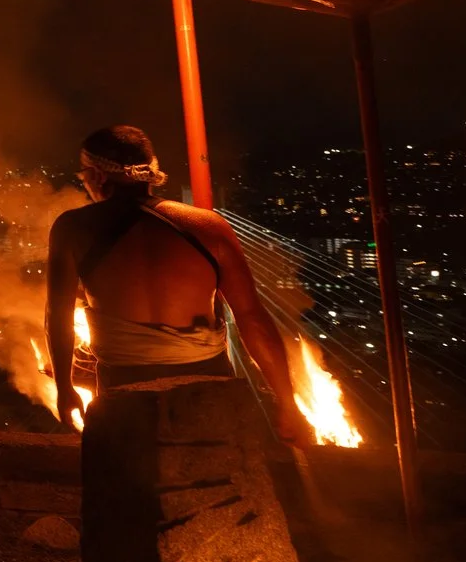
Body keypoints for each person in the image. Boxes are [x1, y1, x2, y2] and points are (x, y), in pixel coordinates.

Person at [46, 125, 307, 445]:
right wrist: (287, 401)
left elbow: (58, 319)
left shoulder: (72, 229)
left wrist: (64, 389)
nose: (85, 184)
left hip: (125, 390)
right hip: (207, 387)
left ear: (98, 176)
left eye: (84, 175)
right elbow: (252, 318)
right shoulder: (208, 227)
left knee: (130, 482)